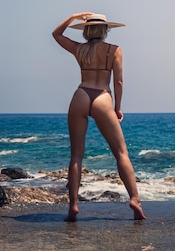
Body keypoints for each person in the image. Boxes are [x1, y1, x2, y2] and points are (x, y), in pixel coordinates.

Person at [52, 12, 146, 222]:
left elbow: (56, 34)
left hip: (81, 94)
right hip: (103, 98)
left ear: (86, 31)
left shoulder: (79, 49)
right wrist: (118, 107)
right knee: (121, 153)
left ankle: (73, 206)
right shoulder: (114, 50)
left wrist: (72, 18)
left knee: (76, 155)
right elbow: (119, 82)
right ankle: (134, 199)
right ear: (105, 30)